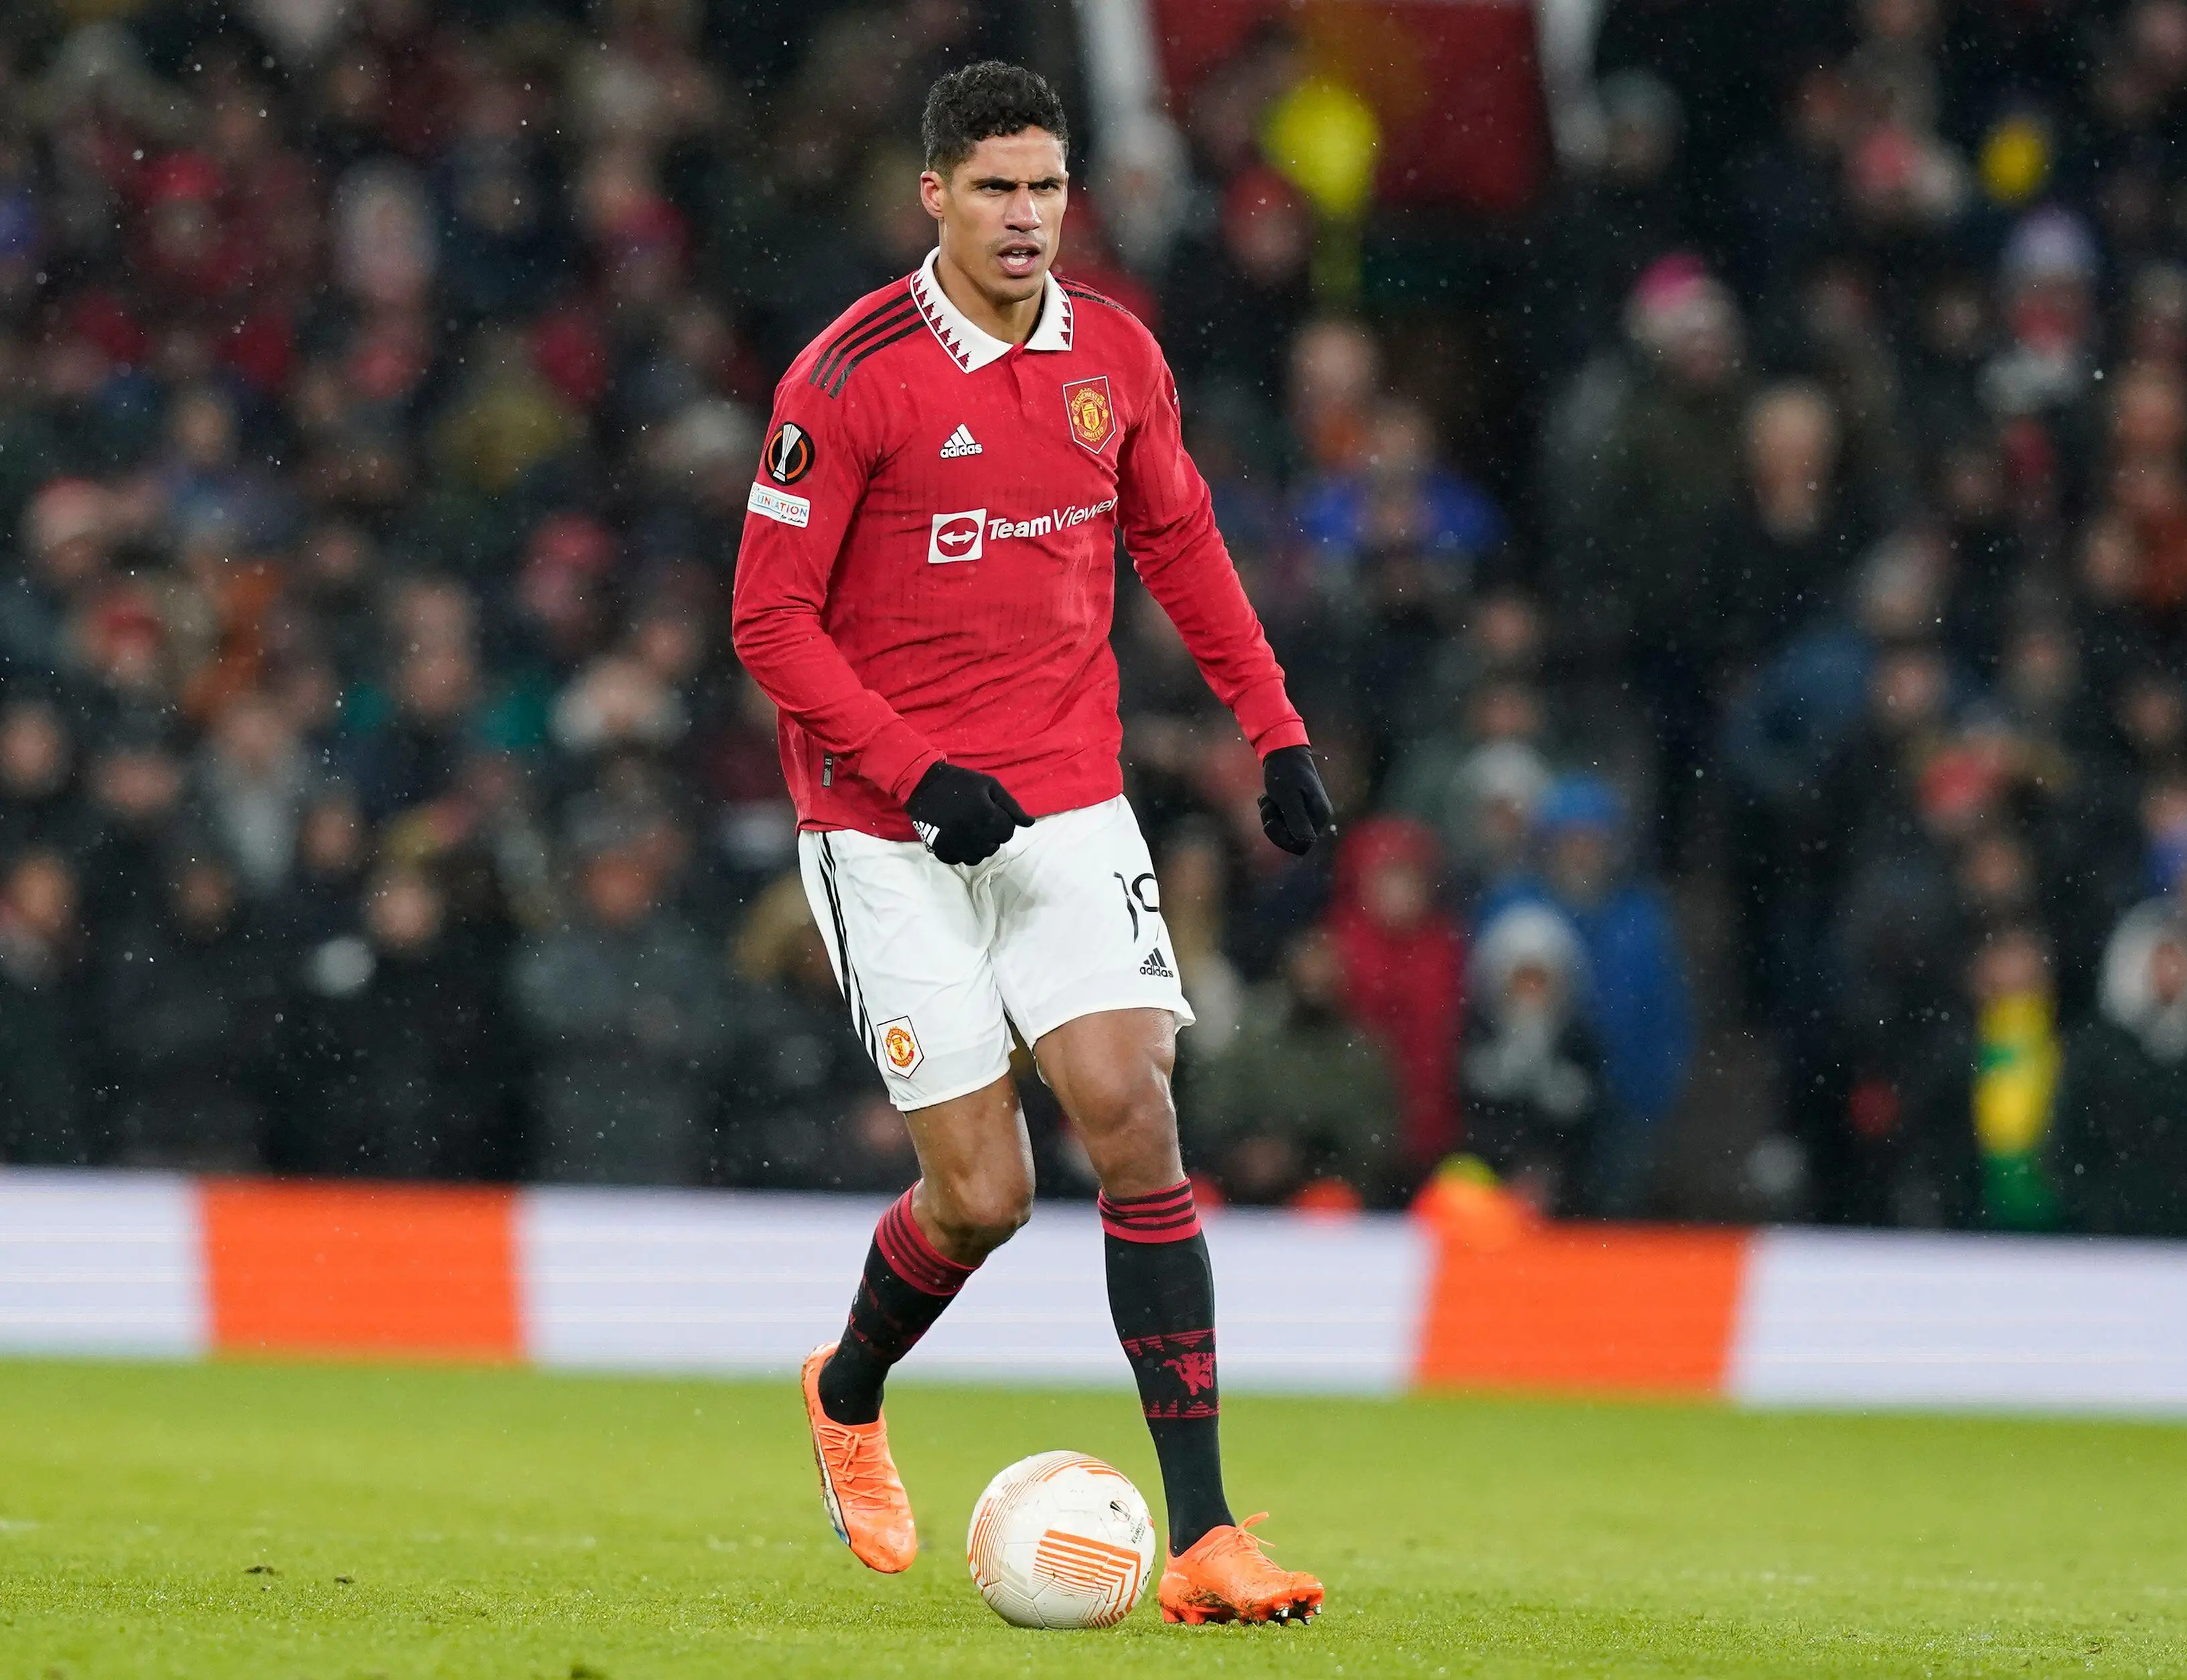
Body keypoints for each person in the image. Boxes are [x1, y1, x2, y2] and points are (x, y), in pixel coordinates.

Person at [729, 63, 1327, 1624]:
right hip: (885, 827)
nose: (1024, 216)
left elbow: (1180, 542)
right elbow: (769, 623)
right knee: (984, 1194)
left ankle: (1206, 1537)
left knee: (1133, 1110)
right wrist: (917, 774)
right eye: (994, 187)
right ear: (934, 194)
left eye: (1046, 187)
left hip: (1065, 797)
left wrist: (1273, 729)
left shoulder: (1115, 355)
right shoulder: (847, 377)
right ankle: (848, 1392)